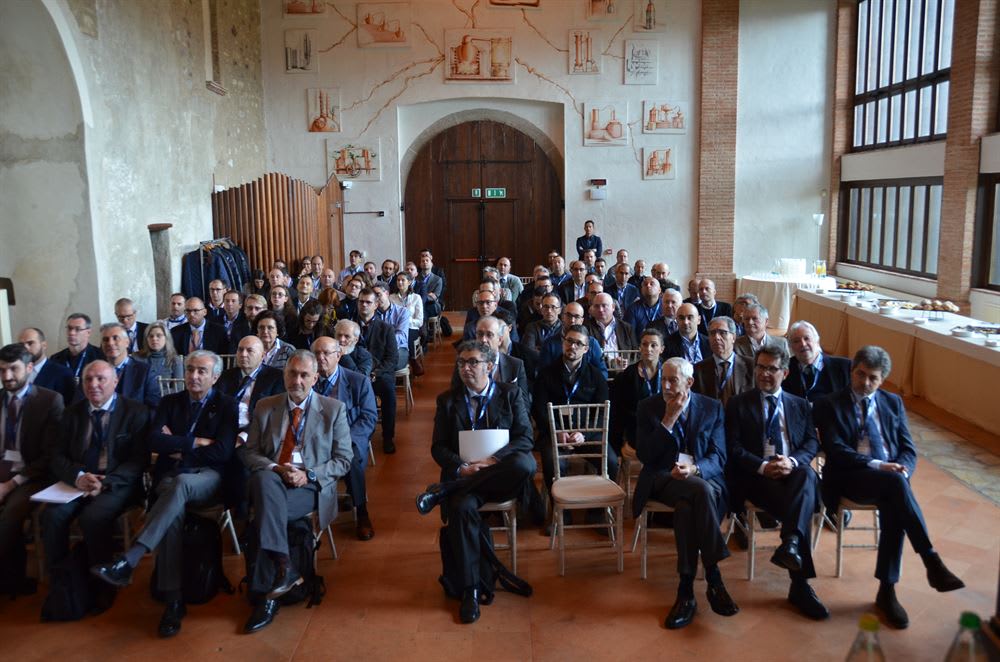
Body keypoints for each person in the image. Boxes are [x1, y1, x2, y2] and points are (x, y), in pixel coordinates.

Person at [813, 345, 965, 629]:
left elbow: (908, 448)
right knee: (895, 489)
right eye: (861, 374)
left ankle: (888, 591)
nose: (866, 382)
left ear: (882, 380)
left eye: (873, 377)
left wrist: (903, 470)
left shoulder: (893, 403)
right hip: (850, 476)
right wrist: (882, 467)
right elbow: (835, 450)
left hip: (889, 479)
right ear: (851, 371)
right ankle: (926, 564)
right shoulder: (828, 403)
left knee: (895, 497)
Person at [90, 351, 238, 637]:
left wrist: (177, 446)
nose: (193, 376)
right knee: (174, 505)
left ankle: (132, 561)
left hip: (207, 479)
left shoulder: (227, 405)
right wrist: (196, 441)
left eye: (201, 372)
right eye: (190, 369)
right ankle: (173, 602)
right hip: (170, 479)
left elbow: (223, 451)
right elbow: (153, 440)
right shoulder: (170, 402)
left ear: (215, 377)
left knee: (180, 484)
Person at [416, 340, 535, 624]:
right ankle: (470, 590)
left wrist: (492, 461)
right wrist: (460, 467)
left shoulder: (510, 394)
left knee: (525, 463)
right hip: (467, 477)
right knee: (461, 508)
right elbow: (439, 447)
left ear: (490, 367)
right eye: (461, 363)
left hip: (501, 475)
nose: (465, 368)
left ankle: (446, 490)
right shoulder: (447, 400)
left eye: (472, 363)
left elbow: (525, 438)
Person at [237, 350, 353, 634]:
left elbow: (344, 460)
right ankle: (282, 571)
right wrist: (277, 468)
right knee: (264, 480)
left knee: (266, 512)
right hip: (274, 478)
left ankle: (267, 593)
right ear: (284, 375)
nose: (297, 380)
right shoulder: (266, 406)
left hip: (310, 485)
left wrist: (309, 474)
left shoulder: (333, 409)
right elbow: (249, 453)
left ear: (315, 378)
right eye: (292, 373)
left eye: (304, 375)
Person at [725, 344, 828, 620]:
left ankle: (792, 544)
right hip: (756, 480)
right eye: (760, 367)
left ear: (784, 372)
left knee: (806, 474)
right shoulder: (738, 403)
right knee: (802, 503)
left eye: (771, 369)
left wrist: (791, 462)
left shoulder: (799, 404)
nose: (764, 374)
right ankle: (799, 583)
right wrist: (762, 466)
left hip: (791, 473)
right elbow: (732, 448)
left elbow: (810, 442)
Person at [633, 357, 737, 629]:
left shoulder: (712, 408)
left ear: (689, 382)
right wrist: (667, 420)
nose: (665, 385)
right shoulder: (649, 407)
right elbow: (644, 455)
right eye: (662, 379)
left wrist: (696, 470)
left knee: (688, 506)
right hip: (663, 478)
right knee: (699, 492)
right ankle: (713, 576)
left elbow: (719, 456)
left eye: (673, 380)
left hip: (701, 479)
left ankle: (686, 592)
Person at [43, 361, 150, 610]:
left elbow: (139, 460)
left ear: (115, 381)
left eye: (101, 379)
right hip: (78, 481)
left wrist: (107, 482)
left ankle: (103, 583)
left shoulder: (135, 412)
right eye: (88, 379)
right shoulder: (71, 413)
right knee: (52, 517)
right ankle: (63, 581)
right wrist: (79, 476)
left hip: (116, 483)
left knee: (92, 518)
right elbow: (57, 456)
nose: (93, 385)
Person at [533, 324, 616, 509]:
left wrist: (584, 434)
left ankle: (599, 509)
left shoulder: (596, 376)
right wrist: (557, 432)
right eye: (569, 341)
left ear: (586, 349)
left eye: (579, 343)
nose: (573, 346)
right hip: (555, 434)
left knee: (611, 461)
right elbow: (538, 409)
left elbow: (602, 412)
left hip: (587, 434)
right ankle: (559, 510)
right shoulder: (546, 374)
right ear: (563, 342)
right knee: (552, 462)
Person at [0, 343, 64, 580]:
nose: (7, 376)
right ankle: (11, 577)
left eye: (13, 369)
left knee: (11, 513)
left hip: (32, 475)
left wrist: (10, 485)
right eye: (2, 370)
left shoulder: (49, 401)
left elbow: (49, 455)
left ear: (28, 368)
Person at [311, 337, 377, 541]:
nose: (321, 358)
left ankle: (362, 512)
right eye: (316, 354)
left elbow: (368, 418)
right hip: (314, 441)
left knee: (352, 460)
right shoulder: (307, 381)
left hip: (347, 439)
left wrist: (344, 441)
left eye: (326, 354)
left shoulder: (358, 381)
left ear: (338, 356)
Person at [216, 335, 286, 443]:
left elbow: (273, 415)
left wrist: (243, 436)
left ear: (262, 356)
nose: (243, 354)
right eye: (240, 350)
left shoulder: (275, 378)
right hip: (224, 432)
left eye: (249, 351)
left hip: (256, 435)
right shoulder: (225, 376)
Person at [355, 288, 400, 454]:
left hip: (378, 374)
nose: (364, 305)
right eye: (361, 302)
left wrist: (375, 373)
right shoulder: (349, 326)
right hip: (356, 374)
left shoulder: (386, 328)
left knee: (389, 392)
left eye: (368, 302)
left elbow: (392, 359)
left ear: (376, 305)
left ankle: (388, 437)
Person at [609, 328, 664, 454]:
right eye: (644, 344)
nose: (648, 349)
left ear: (662, 349)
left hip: (664, 424)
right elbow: (618, 412)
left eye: (653, 345)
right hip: (637, 427)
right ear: (639, 347)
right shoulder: (626, 376)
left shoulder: (669, 372)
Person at [782, 320, 851, 404]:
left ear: (817, 341)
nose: (803, 344)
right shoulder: (785, 368)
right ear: (791, 347)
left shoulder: (844, 367)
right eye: (796, 341)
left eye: (807, 338)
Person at [692, 316, 754, 408]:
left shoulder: (751, 365)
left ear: (733, 337)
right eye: (712, 333)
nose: (717, 337)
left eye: (722, 332)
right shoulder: (698, 369)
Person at [99, 322, 161, 408]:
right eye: (105, 339)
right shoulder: (94, 371)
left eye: (115, 338)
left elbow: (153, 408)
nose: (110, 343)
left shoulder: (144, 372)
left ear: (127, 342)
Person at [18, 327, 75, 402]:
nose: (25, 348)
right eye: (21, 345)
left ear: (44, 345)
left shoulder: (62, 373)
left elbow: (68, 407)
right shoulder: (17, 372)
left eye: (30, 343)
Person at [586, 293, 638, 369]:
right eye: (597, 306)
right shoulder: (586, 328)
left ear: (613, 307)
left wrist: (628, 364)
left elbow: (637, 353)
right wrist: (611, 362)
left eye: (604, 305)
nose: (600, 309)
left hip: (624, 371)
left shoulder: (626, 328)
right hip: (598, 371)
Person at [51, 313, 104, 384]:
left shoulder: (100, 357)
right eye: (69, 328)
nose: (71, 333)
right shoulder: (55, 359)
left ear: (88, 332)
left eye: (77, 329)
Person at [390, 271, 424, 367]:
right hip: (396, 328)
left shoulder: (416, 298)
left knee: (406, 337)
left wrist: (406, 321)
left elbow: (420, 321)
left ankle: (410, 361)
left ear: (409, 282)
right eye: (398, 280)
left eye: (403, 280)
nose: (400, 282)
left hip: (411, 327)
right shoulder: (391, 298)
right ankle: (395, 364)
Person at [373, 282, 410, 369]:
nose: (376, 299)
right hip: (377, 349)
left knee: (391, 363)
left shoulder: (402, 312)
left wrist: (386, 343)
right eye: (374, 296)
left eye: (378, 295)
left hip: (398, 348)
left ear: (387, 293)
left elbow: (402, 335)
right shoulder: (371, 313)